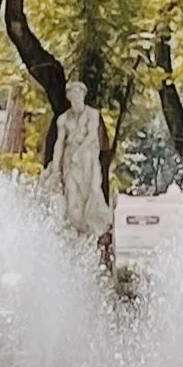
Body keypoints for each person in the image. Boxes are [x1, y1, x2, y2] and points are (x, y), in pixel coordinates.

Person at [47, 80, 113, 250]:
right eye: (73, 96)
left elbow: (92, 136)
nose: (76, 99)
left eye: (79, 95)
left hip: (87, 161)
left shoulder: (93, 114)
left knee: (93, 192)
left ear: (83, 96)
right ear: (69, 98)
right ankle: (75, 233)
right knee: (71, 194)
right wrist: (55, 169)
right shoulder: (63, 119)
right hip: (71, 162)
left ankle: (92, 231)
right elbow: (59, 144)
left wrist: (79, 152)